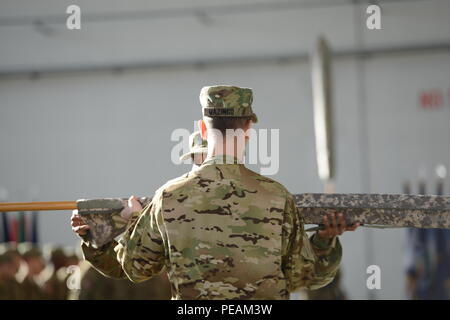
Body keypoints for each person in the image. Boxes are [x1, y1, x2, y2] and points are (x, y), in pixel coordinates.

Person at [72, 85, 358, 299]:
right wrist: (323, 241)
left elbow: (134, 269)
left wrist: (115, 228)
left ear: (202, 129)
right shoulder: (277, 197)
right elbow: (304, 275)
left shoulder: (168, 197)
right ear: (248, 128)